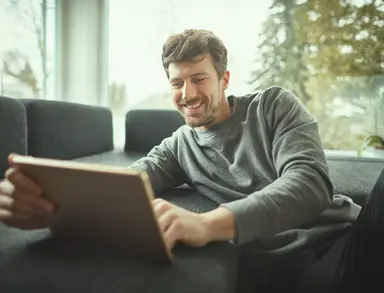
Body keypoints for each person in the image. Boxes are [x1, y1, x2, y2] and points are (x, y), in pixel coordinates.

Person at [0, 29, 382, 292]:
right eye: (177, 83)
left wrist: (208, 224)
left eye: (199, 79)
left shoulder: (273, 106)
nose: (188, 93)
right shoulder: (179, 146)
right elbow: (129, 182)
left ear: (225, 79)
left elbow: (311, 185)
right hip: (286, 273)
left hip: (343, 247)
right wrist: (51, 202)